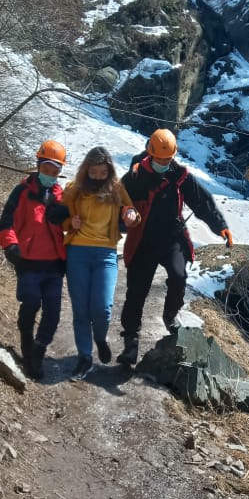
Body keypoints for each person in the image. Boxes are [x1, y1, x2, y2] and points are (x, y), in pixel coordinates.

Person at [117, 128, 234, 367]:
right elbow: (118, 205)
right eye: (159, 158)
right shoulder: (135, 176)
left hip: (172, 239)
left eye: (167, 159)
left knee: (179, 277)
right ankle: (131, 342)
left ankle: (170, 317)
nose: (163, 162)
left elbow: (201, 201)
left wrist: (219, 225)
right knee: (136, 292)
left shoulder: (180, 176)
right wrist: (121, 223)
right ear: (149, 153)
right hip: (143, 241)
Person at [61, 146, 140, 381]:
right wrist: (69, 222)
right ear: (86, 170)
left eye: (101, 173)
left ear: (109, 172)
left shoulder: (117, 188)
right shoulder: (74, 190)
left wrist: (132, 216)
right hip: (77, 253)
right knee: (81, 310)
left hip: (106, 254)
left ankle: (100, 338)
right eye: (93, 172)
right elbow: (58, 217)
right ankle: (85, 358)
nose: (96, 177)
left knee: (103, 308)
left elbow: (131, 211)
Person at [0, 139, 68, 380]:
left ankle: (37, 351)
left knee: (53, 313)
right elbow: (5, 223)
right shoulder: (22, 192)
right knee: (30, 301)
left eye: (56, 170)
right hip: (28, 260)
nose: (51, 174)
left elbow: (73, 225)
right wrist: (10, 245)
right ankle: (26, 340)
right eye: (47, 168)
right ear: (38, 165)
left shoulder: (62, 197)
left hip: (55, 264)